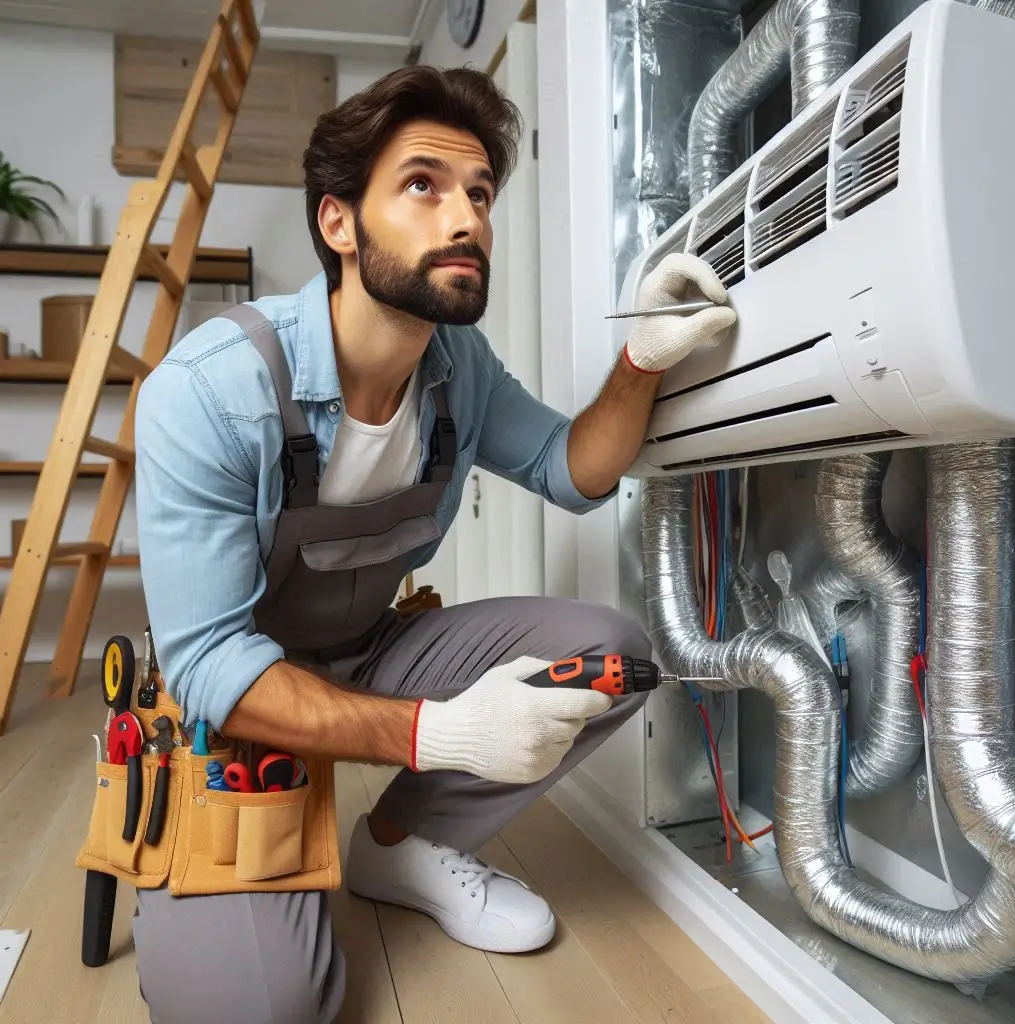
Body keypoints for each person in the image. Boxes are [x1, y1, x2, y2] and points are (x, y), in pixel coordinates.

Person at [131, 65, 736, 1023]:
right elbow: (208, 662)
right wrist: (439, 733)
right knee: (265, 1008)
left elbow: (572, 470)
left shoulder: (457, 367)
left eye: (480, 193)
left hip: (372, 649)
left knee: (610, 658)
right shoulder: (207, 393)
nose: (466, 218)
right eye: (423, 185)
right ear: (339, 223)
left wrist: (644, 356)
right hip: (237, 702)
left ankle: (397, 842)